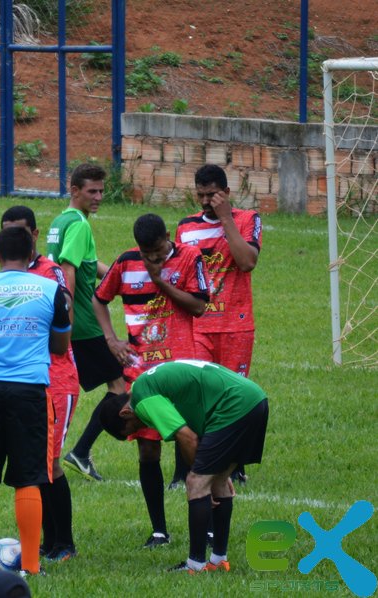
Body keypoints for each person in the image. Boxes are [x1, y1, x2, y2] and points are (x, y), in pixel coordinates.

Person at [0, 226, 72, 577]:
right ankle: (31, 567)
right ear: (32, 252)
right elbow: (62, 347)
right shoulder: (51, 290)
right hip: (29, 392)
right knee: (29, 477)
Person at [92, 213, 209, 548]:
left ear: (168, 237)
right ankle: (159, 530)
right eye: (147, 254)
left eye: (157, 251)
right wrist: (112, 340)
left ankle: (208, 525)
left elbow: (200, 307)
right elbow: (99, 299)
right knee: (147, 450)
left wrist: (160, 282)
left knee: (193, 447)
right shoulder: (126, 262)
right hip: (140, 372)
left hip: (181, 371)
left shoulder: (190, 258)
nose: (153, 258)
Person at [98, 360, 269, 574]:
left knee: (196, 482)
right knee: (217, 482)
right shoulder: (147, 383)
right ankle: (218, 561)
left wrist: (200, 474)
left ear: (125, 413)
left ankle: (194, 566)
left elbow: (187, 437)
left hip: (234, 405)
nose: (141, 428)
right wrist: (214, 472)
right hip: (254, 399)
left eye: (133, 427)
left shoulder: (142, 398)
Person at [172, 163, 263, 487]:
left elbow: (247, 262)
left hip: (236, 325)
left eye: (213, 195)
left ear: (226, 193)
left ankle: (234, 465)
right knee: (191, 397)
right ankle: (182, 470)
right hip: (197, 326)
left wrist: (226, 219)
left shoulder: (247, 219)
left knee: (233, 399)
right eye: (201, 195)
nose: (207, 201)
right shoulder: (185, 227)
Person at [1, 206, 80, 562]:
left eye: (20, 231)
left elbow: (66, 314)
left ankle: (63, 543)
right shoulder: (4, 275)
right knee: (37, 462)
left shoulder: (51, 272)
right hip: (25, 381)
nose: (14, 237)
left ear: (34, 235)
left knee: (50, 463)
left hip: (56, 379)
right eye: (7, 231)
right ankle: (49, 542)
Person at [46, 163, 125, 482]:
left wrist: (120, 276)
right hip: (83, 324)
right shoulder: (79, 225)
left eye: (101, 191)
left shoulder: (60, 221)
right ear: (74, 190)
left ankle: (68, 450)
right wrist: (68, 314)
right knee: (120, 387)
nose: (99, 197)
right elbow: (68, 269)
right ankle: (79, 451)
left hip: (69, 322)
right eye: (92, 191)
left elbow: (86, 264)